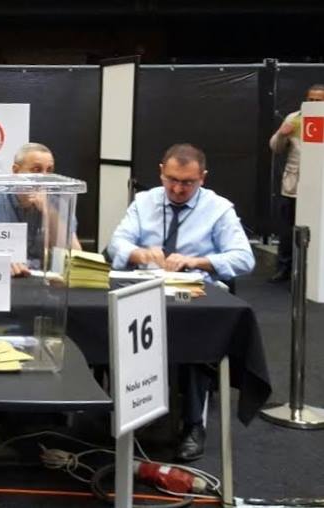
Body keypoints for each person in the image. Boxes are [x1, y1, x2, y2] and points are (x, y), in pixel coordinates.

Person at [107, 143, 255, 462]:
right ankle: (130, 412)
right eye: (171, 179)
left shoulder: (218, 209)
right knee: (114, 326)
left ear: (203, 178)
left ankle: (193, 424)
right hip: (145, 289)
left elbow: (244, 258)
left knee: (197, 338)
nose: (177, 189)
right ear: (161, 171)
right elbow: (116, 243)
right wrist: (138, 253)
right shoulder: (144, 202)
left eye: (187, 183)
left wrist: (197, 261)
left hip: (195, 293)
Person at [0, 143, 82, 276]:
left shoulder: (59, 205)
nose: (44, 178)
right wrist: (0, 261)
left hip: (46, 281)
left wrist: (49, 211)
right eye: (36, 170)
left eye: (49, 170)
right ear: (16, 171)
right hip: (5, 278)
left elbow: (75, 256)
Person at [269, 84, 324, 282]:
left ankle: (316, 271)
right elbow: (276, 148)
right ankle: (285, 268)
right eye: (311, 99)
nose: (314, 103)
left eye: (319, 100)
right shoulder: (294, 118)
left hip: (320, 187)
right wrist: (282, 134)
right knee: (288, 229)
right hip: (294, 186)